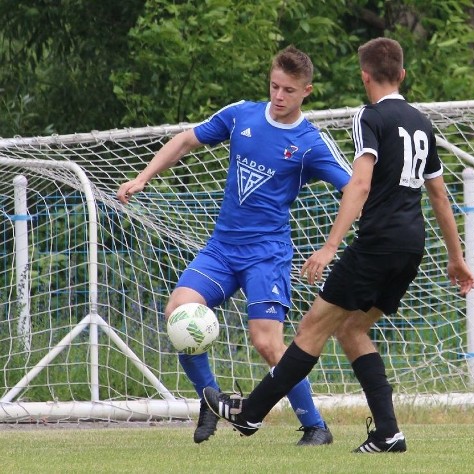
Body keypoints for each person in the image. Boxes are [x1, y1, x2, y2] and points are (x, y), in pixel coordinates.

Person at [203, 37, 474, 453]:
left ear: (364, 76)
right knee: (352, 329)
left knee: (313, 328)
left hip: (377, 243)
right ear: (402, 75)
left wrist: (331, 246)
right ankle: (387, 433)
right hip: (411, 245)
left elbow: (360, 184)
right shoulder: (422, 122)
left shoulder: (368, 116)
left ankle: (249, 414)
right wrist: (456, 258)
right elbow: (439, 195)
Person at [116, 45, 351, 446]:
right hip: (222, 249)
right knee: (179, 311)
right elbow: (185, 140)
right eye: (274, 86)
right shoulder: (242, 113)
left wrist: (332, 245)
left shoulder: (311, 142)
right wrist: (143, 177)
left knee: (267, 343)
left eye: (289, 91)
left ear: (306, 91)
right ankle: (210, 399)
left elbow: (355, 188)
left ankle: (315, 426)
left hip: (266, 254)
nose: (279, 96)